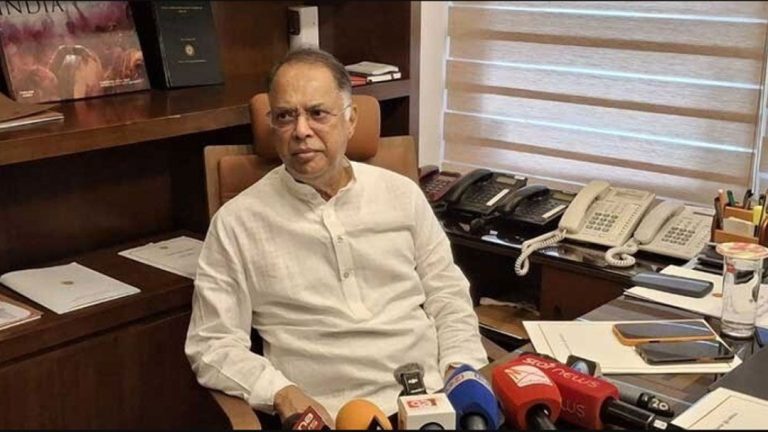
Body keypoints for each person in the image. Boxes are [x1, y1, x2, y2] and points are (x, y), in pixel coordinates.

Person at [185, 48, 487, 427]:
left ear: (350, 120)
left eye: (317, 113)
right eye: (285, 116)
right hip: (329, 415)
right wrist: (280, 392)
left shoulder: (402, 194)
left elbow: (448, 294)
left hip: (431, 401)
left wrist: (461, 367)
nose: (301, 130)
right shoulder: (236, 223)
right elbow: (212, 343)